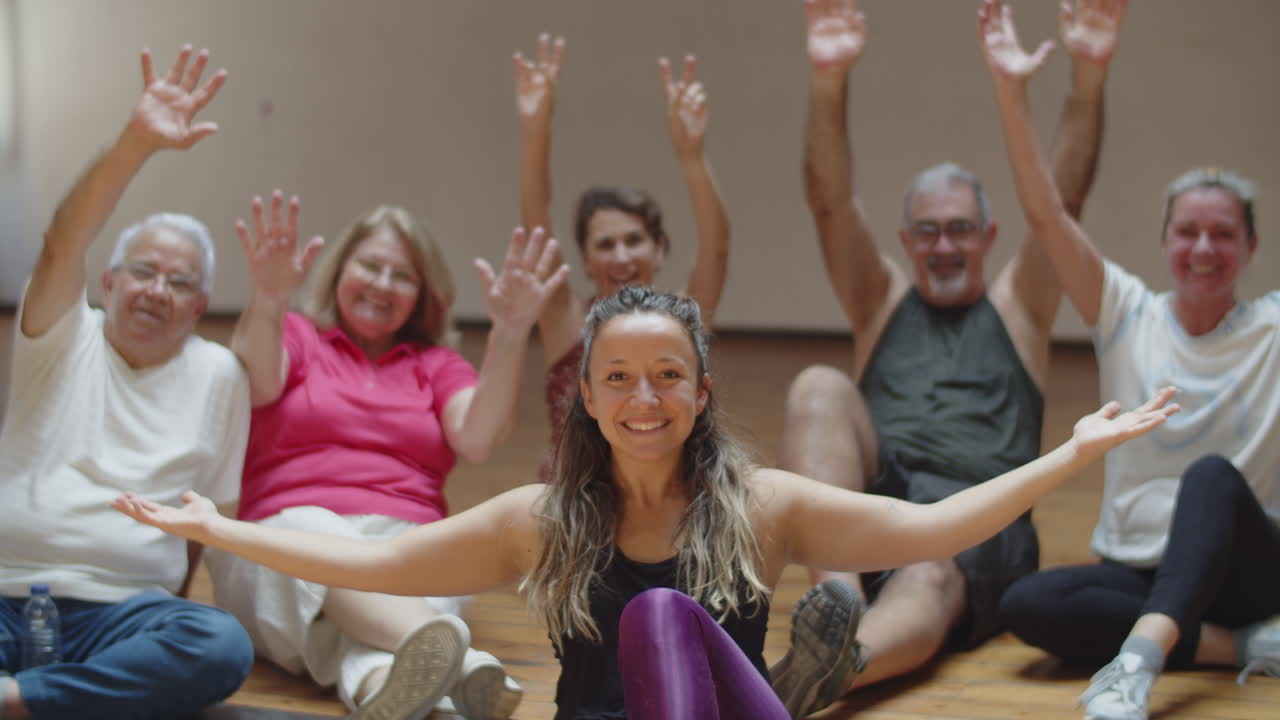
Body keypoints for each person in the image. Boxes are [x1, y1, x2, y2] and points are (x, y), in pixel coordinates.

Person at [113, 285, 1177, 720]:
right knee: (646, 617)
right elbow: (380, 567)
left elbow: (935, 531)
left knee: (662, 613)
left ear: (702, 391)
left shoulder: (759, 505)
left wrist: (1068, 454)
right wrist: (217, 530)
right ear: (586, 396)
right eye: (617, 378)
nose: (643, 398)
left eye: (667, 375)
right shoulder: (544, 520)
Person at [769, 0, 1121, 715]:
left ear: (990, 235)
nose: (944, 246)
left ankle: (818, 677)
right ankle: (833, 603)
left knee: (928, 571)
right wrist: (829, 79)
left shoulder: (1021, 307)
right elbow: (830, 202)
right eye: (927, 232)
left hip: (972, 525)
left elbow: (1066, 196)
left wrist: (1087, 75)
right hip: (877, 513)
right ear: (905, 240)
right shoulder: (880, 303)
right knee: (816, 386)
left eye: (959, 229)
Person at [978, 1, 1280, 718]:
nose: (1203, 250)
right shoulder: (1126, 311)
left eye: (1222, 235)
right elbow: (1048, 216)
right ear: (1165, 239)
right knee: (1031, 604)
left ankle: (1134, 666)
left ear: (1250, 249)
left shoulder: (1272, 329)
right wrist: (1012, 95)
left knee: (1209, 477)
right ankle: (1243, 648)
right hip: (1138, 566)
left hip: (1250, 570)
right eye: (1188, 233)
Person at [207, 190, 568, 720]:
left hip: (409, 548)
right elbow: (260, 381)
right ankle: (459, 658)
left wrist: (511, 333)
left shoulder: (436, 364)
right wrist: (267, 295)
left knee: (372, 636)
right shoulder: (296, 336)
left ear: (423, 295)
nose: (381, 284)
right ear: (337, 272)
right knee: (308, 535)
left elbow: (477, 438)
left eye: (401, 276)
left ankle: (409, 692)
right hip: (282, 548)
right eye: (369, 266)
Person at [0, 46, 254, 719]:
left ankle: (19, 701)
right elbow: (61, 240)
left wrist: (171, 601)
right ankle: (64, 703)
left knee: (219, 644)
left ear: (200, 308)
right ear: (107, 283)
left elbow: (206, 520)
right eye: (142, 271)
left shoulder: (219, 374)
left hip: (122, 619)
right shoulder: (60, 332)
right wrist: (136, 144)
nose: (157, 291)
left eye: (180, 282)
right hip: (3, 593)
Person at [513, 34, 731, 477]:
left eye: (634, 240)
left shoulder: (684, 318)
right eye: (605, 244)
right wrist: (537, 129)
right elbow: (538, 221)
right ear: (586, 260)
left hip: (669, 499)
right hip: (576, 503)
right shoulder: (566, 320)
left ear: (660, 248)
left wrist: (692, 157)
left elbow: (717, 246)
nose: (621, 256)